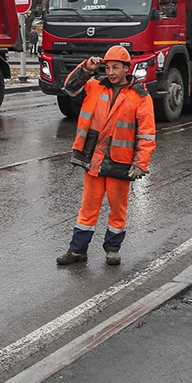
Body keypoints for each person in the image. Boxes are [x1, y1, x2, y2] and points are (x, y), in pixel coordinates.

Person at [56, 45, 156, 266]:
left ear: (126, 68)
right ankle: (77, 250)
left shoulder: (140, 96)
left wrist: (141, 163)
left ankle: (112, 249)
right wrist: (86, 69)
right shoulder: (94, 86)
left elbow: (147, 134)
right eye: (108, 67)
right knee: (88, 207)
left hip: (120, 162)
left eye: (116, 67)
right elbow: (70, 88)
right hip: (94, 160)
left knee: (117, 209)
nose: (111, 72)